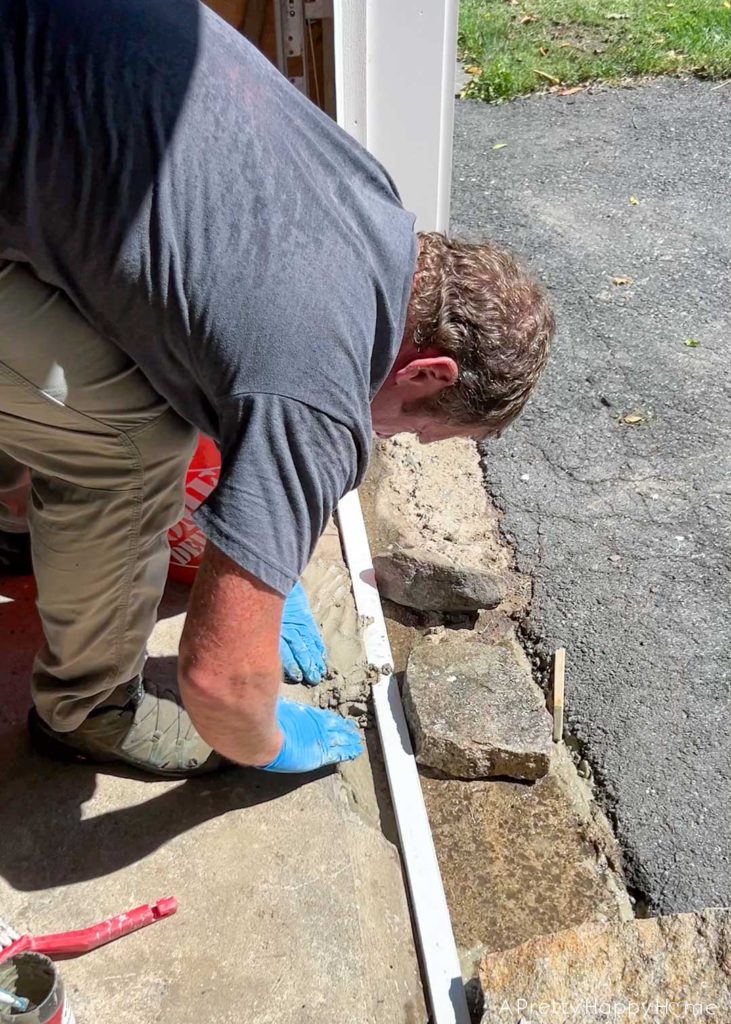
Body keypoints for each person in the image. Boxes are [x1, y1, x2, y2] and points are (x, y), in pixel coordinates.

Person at [0, 0, 554, 778]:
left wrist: (268, 548)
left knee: (133, 363)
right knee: (132, 445)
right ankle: (90, 711)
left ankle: (12, 517)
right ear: (428, 372)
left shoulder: (369, 206)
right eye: (418, 427)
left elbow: (227, 334)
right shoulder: (321, 385)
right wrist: (263, 740)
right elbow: (218, 682)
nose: (396, 439)